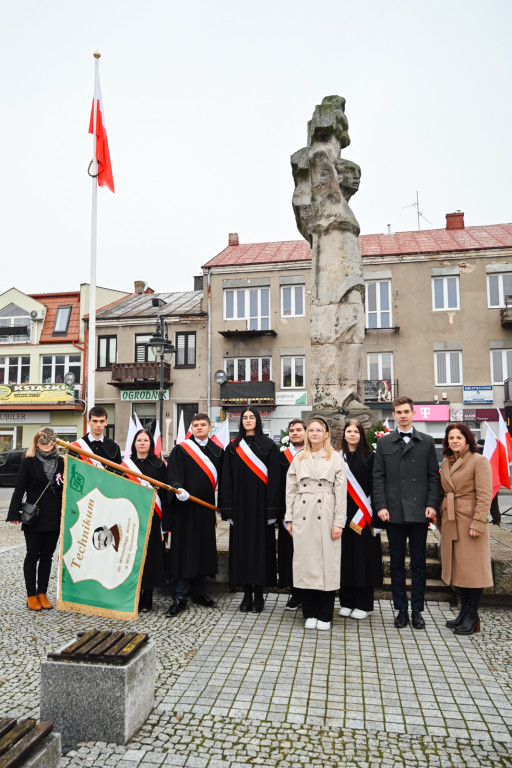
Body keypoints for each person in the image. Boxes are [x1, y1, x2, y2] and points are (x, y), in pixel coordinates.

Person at [373, 396, 441, 630]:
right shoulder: (385, 443)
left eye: (406, 411)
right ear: (394, 414)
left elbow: (434, 475)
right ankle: (401, 609)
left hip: (420, 512)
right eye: (398, 412)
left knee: (419, 563)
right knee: (397, 563)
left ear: (413, 414)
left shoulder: (427, 441)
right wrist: (381, 506)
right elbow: (378, 477)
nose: (402, 415)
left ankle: (418, 610)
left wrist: (432, 504)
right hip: (394, 512)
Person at [285, 418, 346, 630]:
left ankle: (325, 614)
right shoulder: (299, 458)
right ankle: (309, 613)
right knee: (305, 563)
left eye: (319, 430)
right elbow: (290, 489)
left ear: (327, 433)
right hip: (303, 512)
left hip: (326, 512)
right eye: (311, 430)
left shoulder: (335, 458)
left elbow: (341, 493)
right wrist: (289, 518)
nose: (314, 433)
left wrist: (339, 522)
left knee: (327, 563)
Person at [220, 407, 280, 613]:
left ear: (257, 420)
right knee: (242, 551)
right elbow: (226, 479)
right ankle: (246, 593)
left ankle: (259, 594)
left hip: (261, 509)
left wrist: (273, 510)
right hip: (240, 508)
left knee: (260, 551)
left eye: (251, 417)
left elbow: (275, 480)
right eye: (244, 418)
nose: (248, 420)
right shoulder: (233, 448)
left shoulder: (270, 446)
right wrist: (227, 508)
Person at [166, 413, 223, 617]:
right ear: (192, 428)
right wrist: (178, 488)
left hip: (206, 508)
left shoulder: (218, 452)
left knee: (202, 549)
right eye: (196, 425)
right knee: (185, 549)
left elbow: (224, 481)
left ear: (210, 428)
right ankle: (180, 596)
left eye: (203, 425)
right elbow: (172, 474)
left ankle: (200, 592)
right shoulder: (181, 450)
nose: (199, 428)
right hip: (185, 508)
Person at [439, 424, 493, 635]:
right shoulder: (447, 461)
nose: (455, 441)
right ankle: (464, 612)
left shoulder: (479, 461)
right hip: (452, 521)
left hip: (470, 521)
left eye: (459, 437)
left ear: (468, 439)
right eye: (451, 438)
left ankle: (472, 615)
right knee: (459, 569)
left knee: (473, 571)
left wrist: (478, 523)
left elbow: (485, 494)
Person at [6, 428, 64, 611]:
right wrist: (14, 513)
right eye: (43, 442)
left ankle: (42, 593)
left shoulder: (61, 462)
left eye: (50, 442)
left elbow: (64, 489)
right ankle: (31, 595)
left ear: (54, 443)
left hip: (53, 516)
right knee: (32, 556)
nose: (47, 445)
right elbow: (20, 487)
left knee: (47, 556)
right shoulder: (29, 462)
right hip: (34, 517)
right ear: (36, 443)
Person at [339, 418, 383, 620]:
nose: (352, 435)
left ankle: (364, 604)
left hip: (364, 517)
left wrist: (377, 519)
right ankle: (346, 601)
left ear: (361, 435)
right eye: (349, 431)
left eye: (356, 431)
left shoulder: (372, 457)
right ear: (344, 434)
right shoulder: (338, 458)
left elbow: (377, 487)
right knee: (345, 559)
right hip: (343, 515)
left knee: (363, 560)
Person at [130, 428, 168, 613]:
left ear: (151, 443)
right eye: (139, 440)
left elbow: (166, 494)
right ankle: (134, 596)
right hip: (132, 518)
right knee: (133, 556)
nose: (142, 443)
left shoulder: (160, 466)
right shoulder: (126, 465)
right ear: (134, 443)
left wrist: (166, 523)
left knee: (151, 557)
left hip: (154, 518)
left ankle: (148, 596)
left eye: (146, 440)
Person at [278, 419, 306, 611]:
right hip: (288, 513)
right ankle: (295, 594)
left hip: (310, 513)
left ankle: (308, 593)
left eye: (299, 430)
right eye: (292, 430)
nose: (295, 433)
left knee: (308, 555)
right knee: (290, 554)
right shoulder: (281, 457)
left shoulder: (314, 455)